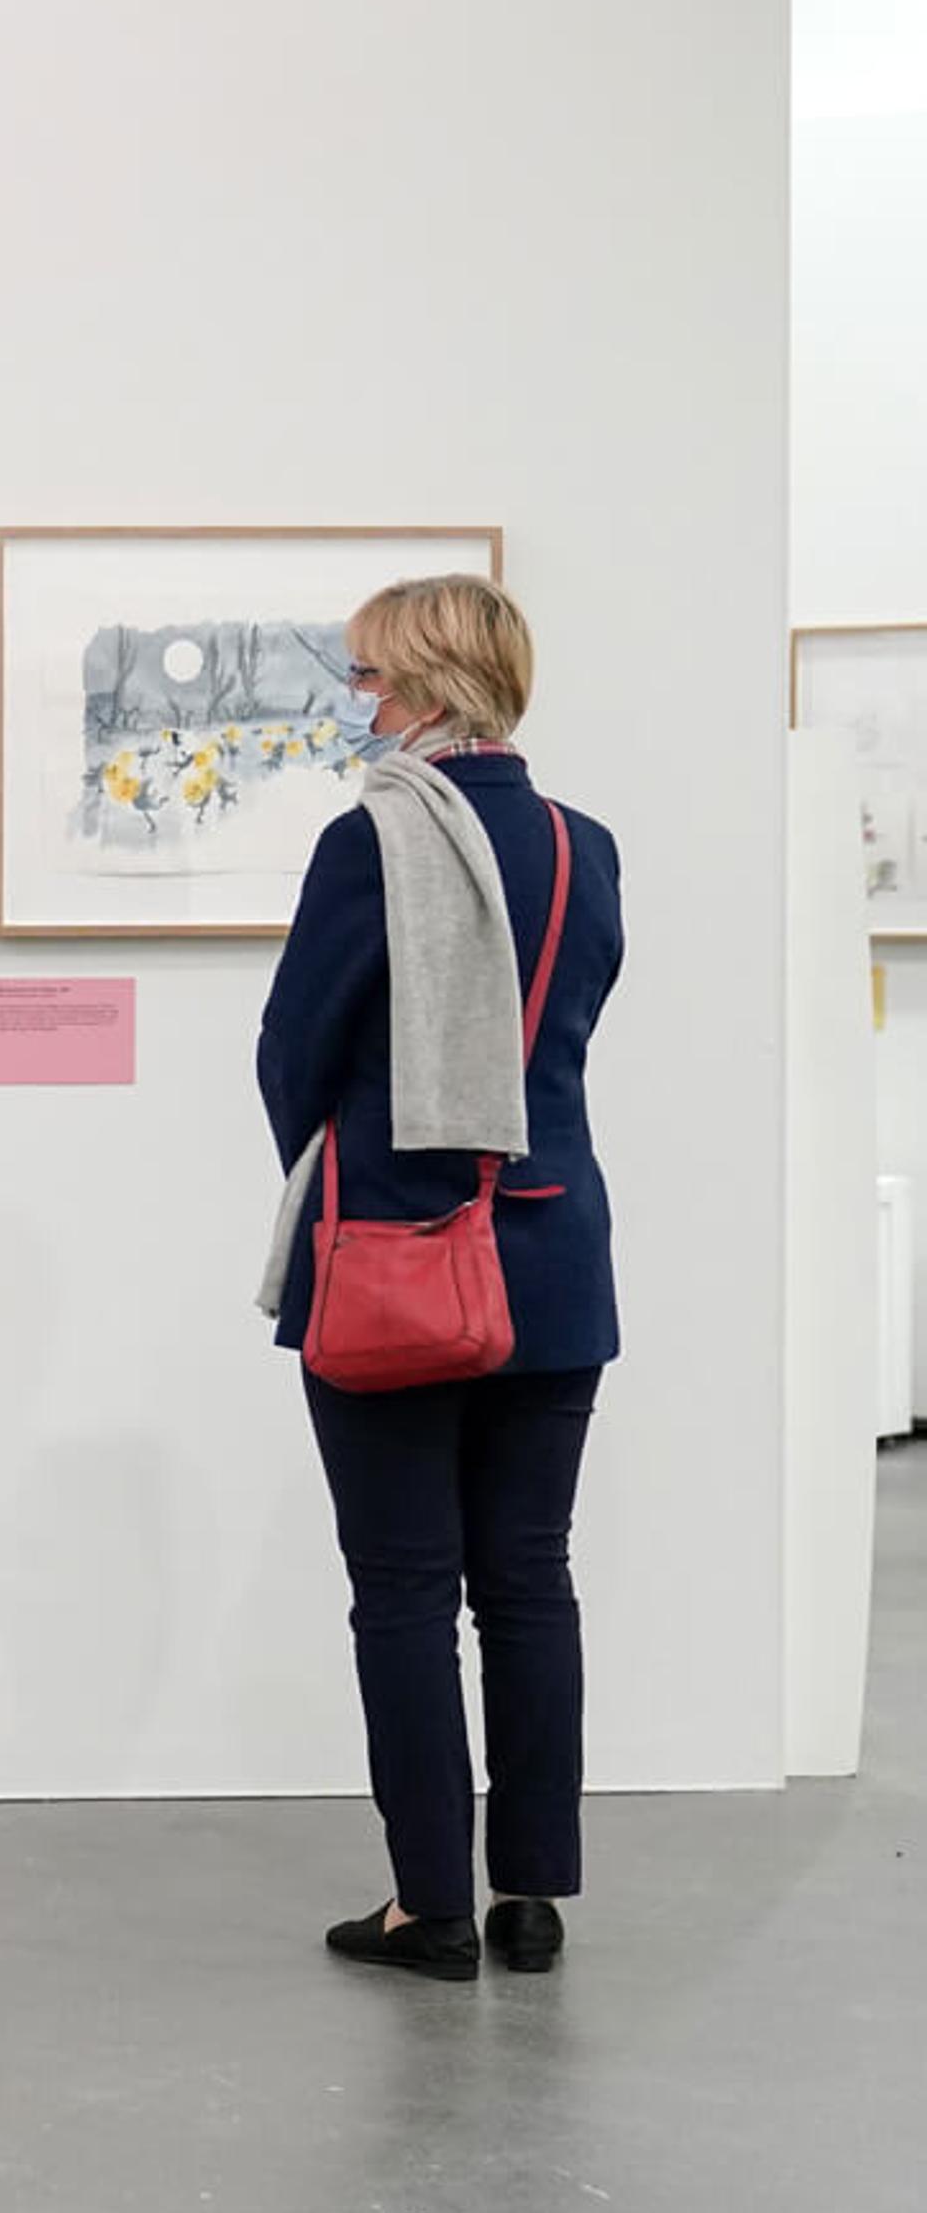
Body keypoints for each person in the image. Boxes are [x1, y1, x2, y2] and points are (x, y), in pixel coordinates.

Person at [256, 575, 622, 1983]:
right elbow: (563, 1045)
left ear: (420, 682)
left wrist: (345, 1174)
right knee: (529, 1578)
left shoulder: (376, 844)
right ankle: (534, 1896)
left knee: (405, 1588)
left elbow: (297, 1049)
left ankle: (433, 1907)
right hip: (556, 1259)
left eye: (366, 677)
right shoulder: (588, 850)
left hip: (398, 1259)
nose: (360, 703)